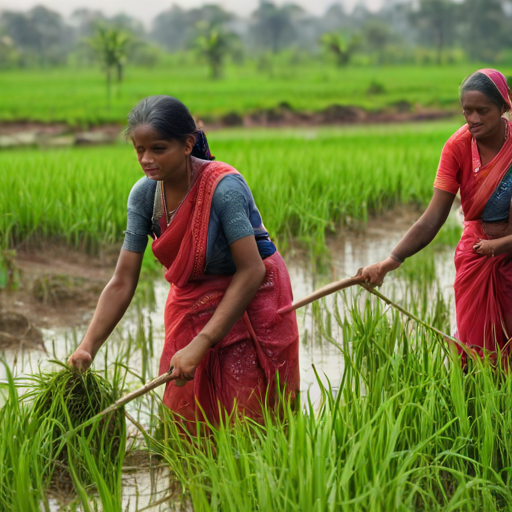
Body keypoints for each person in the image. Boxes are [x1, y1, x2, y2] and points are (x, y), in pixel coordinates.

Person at [68, 95, 300, 426]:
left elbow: (252, 270)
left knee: (249, 406)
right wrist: (87, 346)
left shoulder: (223, 187)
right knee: (186, 407)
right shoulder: (145, 196)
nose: (147, 159)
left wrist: (203, 341)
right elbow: (122, 280)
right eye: (139, 150)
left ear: (188, 144)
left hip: (252, 289)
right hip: (193, 295)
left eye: (158, 148)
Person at [359, 69, 512, 356]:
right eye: (467, 111)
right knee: (476, 351)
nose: (473, 119)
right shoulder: (457, 147)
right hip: (478, 255)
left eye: (483, 111)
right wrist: (390, 262)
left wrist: (502, 245)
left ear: (504, 106)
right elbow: (432, 218)